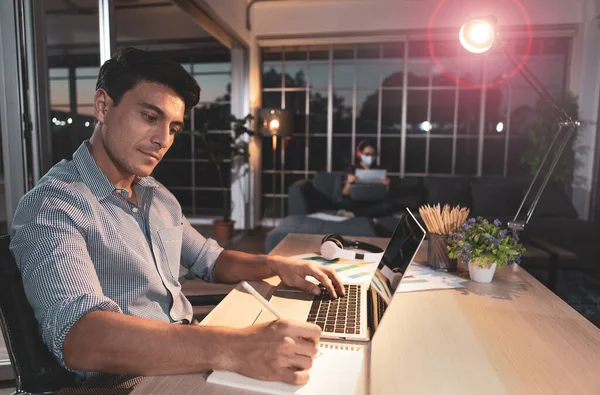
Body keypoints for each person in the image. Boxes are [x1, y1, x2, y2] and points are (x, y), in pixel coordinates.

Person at [9, 48, 344, 388]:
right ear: (103, 106)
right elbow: (81, 338)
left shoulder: (157, 196)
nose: (163, 140)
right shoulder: (52, 206)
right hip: (131, 383)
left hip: (187, 359)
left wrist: (276, 266)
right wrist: (235, 347)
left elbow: (212, 260)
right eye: (150, 118)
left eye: (174, 127)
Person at [336, 139, 395, 218]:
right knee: (340, 200)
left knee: (388, 205)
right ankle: (369, 214)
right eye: (367, 154)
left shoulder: (379, 169)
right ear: (359, 154)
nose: (370, 157)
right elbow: (344, 193)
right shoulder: (351, 169)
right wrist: (349, 183)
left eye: (373, 154)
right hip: (356, 201)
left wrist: (386, 186)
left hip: (374, 201)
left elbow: (385, 195)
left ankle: (355, 214)